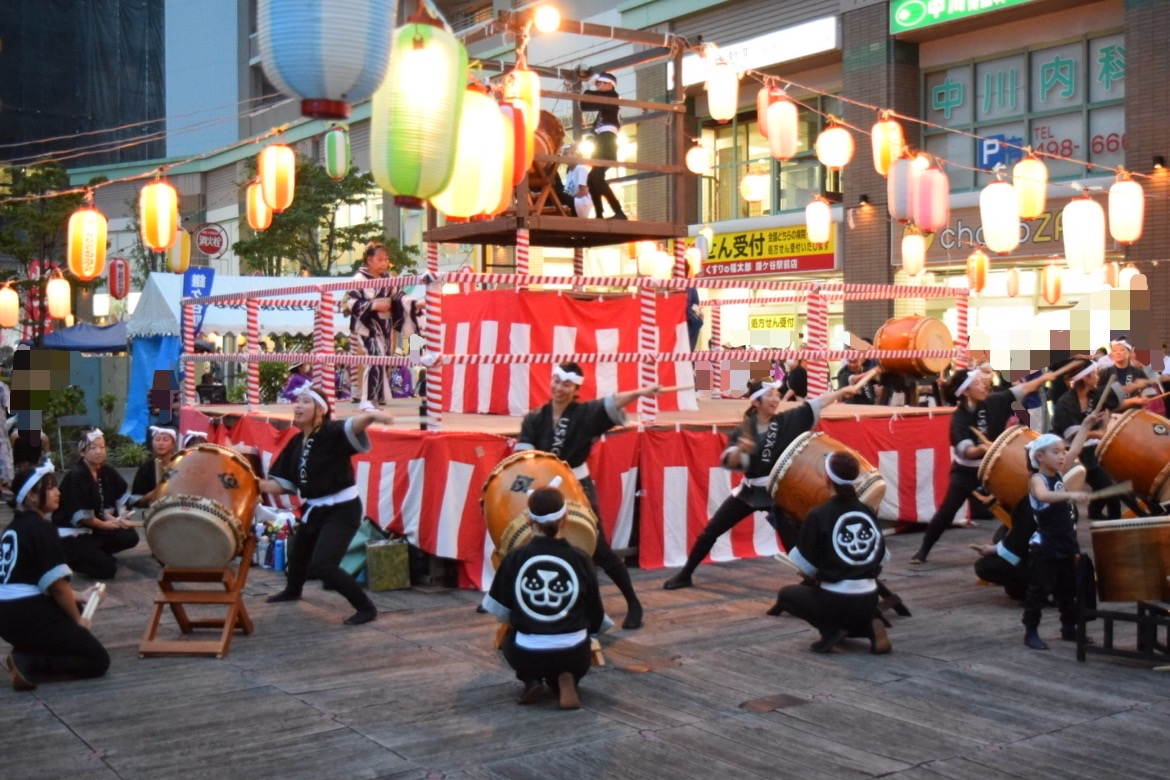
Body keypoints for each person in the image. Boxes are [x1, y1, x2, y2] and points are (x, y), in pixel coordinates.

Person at [663, 377, 863, 590]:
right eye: (770, 395)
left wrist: (841, 392)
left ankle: (812, 580)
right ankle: (685, 574)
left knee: (793, 538)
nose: (776, 398)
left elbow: (817, 403)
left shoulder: (786, 421)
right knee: (712, 530)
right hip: (749, 491)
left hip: (777, 491)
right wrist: (740, 449)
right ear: (756, 402)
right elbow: (731, 462)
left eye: (777, 394)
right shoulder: (744, 429)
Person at [516, 363, 659, 629]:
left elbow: (613, 401)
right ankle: (508, 602)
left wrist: (642, 391)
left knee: (598, 547)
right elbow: (524, 456)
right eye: (556, 381)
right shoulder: (535, 418)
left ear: (576, 389)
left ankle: (633, 602)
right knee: (523, 541)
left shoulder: (585, 413)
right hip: (544, 487)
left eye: (566, 384)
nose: (559, 388)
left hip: (576, 484)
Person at [258, 383, 393, 625]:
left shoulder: (329, 432)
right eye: (297, 401)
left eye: (305, 402)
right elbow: (285, 483)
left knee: (324, 565)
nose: (298, 406)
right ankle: (293, 589)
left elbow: (352, 427)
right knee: (298, 554)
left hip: (342, 508)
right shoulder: (296, 441)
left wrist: (371, 416)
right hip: (314, 507)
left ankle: (366, 607)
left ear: (320, 410)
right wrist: (255, 484)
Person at [910, 367, 1057, 565]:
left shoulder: (993, 402)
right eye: (977, 383)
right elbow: (966, 451)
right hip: (966, 471)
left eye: (982, 382)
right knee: (947, 510)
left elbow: (1023, 388)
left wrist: (1044, 378)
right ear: (965, 392)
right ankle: (923, 549)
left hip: (995, 466)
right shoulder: (959, 419)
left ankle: (1014, 546)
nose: (983, 385)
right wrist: (982, 448)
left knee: (1018, 506)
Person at [481, 486, 611, 709]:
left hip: (528, 654)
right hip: (576, 654)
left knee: (509, 639)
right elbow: (596, 617)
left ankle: (532, 680)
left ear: (530, 521)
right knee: (577, 640)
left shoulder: (515, 558)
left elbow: (501, 611)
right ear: (565, 518)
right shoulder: (581, 559)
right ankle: (567, 677)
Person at [1, 465, 110, 691]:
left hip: (8, 616)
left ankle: (27, 650)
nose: (57, 492)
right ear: (31, 495)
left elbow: (33, 578)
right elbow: (57, 586)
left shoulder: (14, 527)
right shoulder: (42, 528)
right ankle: (30, 661)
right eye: (50, 488)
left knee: (75, 608)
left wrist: (80, 596)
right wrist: (79, 623)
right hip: (26, 614)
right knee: (97, 660)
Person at [769, 451, 891, 654]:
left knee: (786, 595)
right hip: (870, 596)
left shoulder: (818, 514)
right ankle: (869, 625)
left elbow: (807, 567)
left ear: (827, 479)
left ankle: (831, 631)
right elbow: (882, 556)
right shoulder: (867, 511)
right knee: (846, 603)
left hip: (836, 599)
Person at [1021, 425, 1096, 650]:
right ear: (1040, 457)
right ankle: (1031, 631)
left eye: (1063, 452)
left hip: (1065, 542)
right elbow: (1044, 496)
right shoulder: (1037, 480)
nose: (1063, 455)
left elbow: (1076, 448)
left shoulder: (1059, 474)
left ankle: (1068, 628)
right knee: (1040, 590)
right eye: (1056, 452)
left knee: (1068, 588)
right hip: (1045, 546)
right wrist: (1071, 493)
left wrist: (1087, 425)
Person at [52, 429, 139, 579]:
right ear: (82, 452)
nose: (99, 451)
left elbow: (119, 498)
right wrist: (106, 525)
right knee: (107, 570)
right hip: (74, 535)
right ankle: (73, 559)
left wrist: (121, 515)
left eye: (102, 446)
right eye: (93, 447)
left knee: (130, 536)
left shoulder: (106, 471)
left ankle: (96, 553)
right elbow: (83, 517)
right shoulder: (76, 475)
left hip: (93, 530)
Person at [346, 241, 400, 412]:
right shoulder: (358, 279)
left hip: (386, 325)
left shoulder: (389, 279)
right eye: (380, 260)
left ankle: (375, 398)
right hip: (366, 326)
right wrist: (374, 305)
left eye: (386, 260)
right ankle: (366, 399)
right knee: (374, 358)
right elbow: (352, 303)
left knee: (383, 360)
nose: (384, 263)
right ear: (369, 260)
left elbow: (398, 297)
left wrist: (409, 305)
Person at [581, 72, 628, 220]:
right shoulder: (606, 104)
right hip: (603, 140)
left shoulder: (612, 98)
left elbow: (586, 101)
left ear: (609, 84)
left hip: (607, 141)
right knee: (592, 178)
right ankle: (601, 213)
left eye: (600, 83)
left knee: (595, 176)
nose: (598, 87)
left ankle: (617, 211)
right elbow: (585, 104)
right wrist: (591, 135)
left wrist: (585, 92)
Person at [972, 497, 1036, 601]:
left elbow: (1018, 546)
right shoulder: (1061, 490)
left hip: (1045, 565)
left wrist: (994, 550)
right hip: (1061, 558)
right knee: (1001, 533)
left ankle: (1035, 588)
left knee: (983, 566)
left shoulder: (1034, 500)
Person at [1098, 335, 1158, 411]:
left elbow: (1149, 392)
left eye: (1121, 350)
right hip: (1112, 416)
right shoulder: (1105, 373)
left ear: (1129, 353)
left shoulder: (1138, 373)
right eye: (1114, 351)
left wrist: (1145, 396)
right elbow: (1100, 398)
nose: (1118, 353)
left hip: (1134, 414)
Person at [126, 426, 180, 509]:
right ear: (152, 443)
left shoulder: (180, 465)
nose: (161, 443)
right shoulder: (146, 468)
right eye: (157, 439)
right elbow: (136, 501)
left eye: (165, 440)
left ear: (173, 444)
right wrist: (154, 493)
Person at [563, 145, 592, 218]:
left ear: (577, 156)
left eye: (572, 153)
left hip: (580, 203)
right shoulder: (569, 172)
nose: (569, 156)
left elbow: (584, 191)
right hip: (574, 201)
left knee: (557, 193)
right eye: (566, 154)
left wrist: (569, 197)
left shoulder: (580, 168)